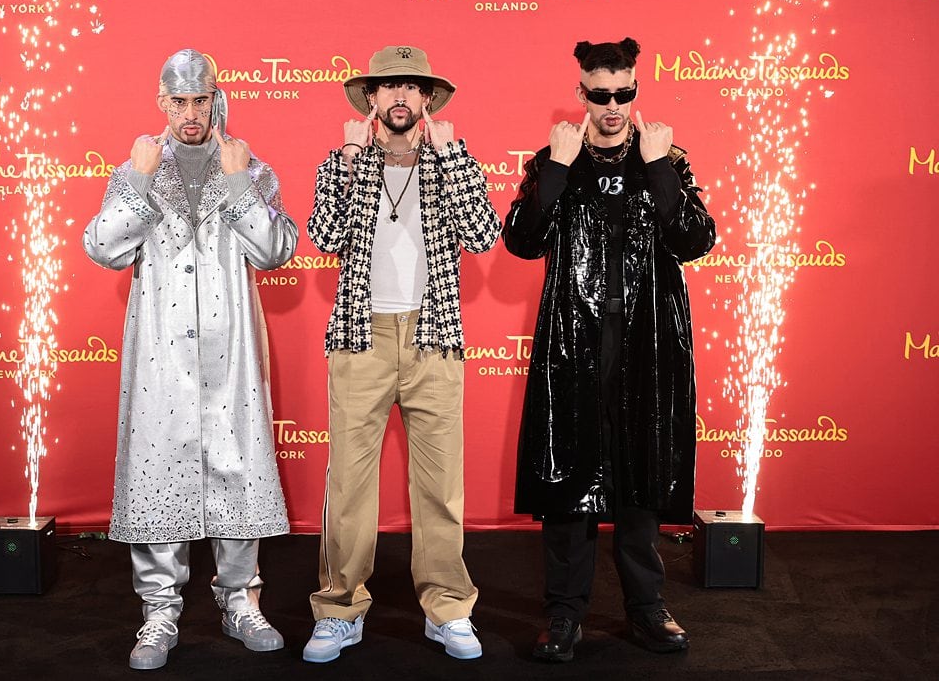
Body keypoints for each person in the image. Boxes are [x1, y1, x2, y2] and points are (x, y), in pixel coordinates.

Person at [83, 48, 297, 670]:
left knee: (236, 466)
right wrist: (140, 181)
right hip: (161, 355)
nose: (190, 113)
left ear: (215, 98)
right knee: (158, 467)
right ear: (161, 102)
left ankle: (240, 600)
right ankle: (158, 612)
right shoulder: (137, 170)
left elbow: (277, 250)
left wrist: (236, 186)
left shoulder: (251, 169)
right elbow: (103, 246)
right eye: (178, 101)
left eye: (200, 99)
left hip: (231, 352)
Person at [503, 37, 717, 662]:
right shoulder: (554, 159)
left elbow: (695, 240)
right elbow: (521, 241)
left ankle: (647, 609)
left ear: (636, 91)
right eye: (600, 95)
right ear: (582, 95)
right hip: (574, 344)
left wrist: (656, 166)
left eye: (624, 92)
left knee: (641, 477)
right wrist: (560, 170)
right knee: (569, 475)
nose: (613, 105)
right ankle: (564, 614)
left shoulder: (667, 160)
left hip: (648, 344)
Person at [302, 45, 501, 663]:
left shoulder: (451, 161)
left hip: (434, 335)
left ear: (428, 101)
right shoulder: (344, 162)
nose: (399, 98)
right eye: (388, 87)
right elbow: (327, 235)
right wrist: (352, 161)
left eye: (412, 88)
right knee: (350, 484)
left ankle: (447, 609)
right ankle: (339, 608)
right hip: (360, 337)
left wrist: (449, 155)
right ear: (370, 100)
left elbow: (484, 232)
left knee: (441, 486)